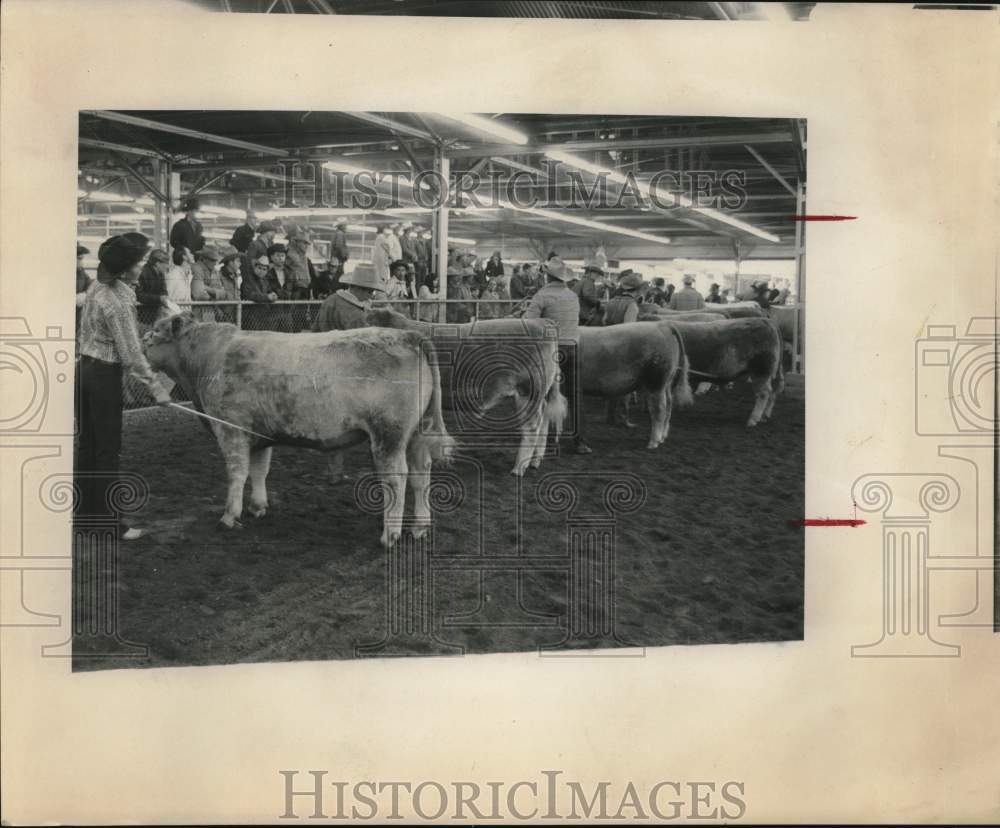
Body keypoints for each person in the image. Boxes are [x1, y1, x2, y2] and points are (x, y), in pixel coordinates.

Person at [76, 232, 172, 540]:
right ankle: (109, 523)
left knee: (89, 446)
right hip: (103, 376)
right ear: (126, 268)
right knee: (107, 451)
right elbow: (131, 353)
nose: (142, 266)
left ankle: (84, 518)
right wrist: (156, 388)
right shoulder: (118, 300)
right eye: (140, 261)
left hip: (85, 370)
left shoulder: (98, 288)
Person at [522, 257, 592, 454]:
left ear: (547, 276)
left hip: (551, 350)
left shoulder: (542, 296)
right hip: (573, 347)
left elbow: (529, 323)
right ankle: (580, 441)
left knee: (550, 393)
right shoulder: (572, 296)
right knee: (576, 395)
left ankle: (551, 440)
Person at [312, 263, 380, 332]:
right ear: (359, 288)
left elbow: (315, 330)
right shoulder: (357, 315)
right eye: (370, 292)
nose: (371, 296)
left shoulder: (329, 300)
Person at [134, 248, 171, 325]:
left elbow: (163, 290)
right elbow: (139, 295)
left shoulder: (161, 274)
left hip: (155, 316)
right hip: (141, 318)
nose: (167, 266)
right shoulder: (142, 273)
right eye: (166, 263)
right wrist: (159, 298)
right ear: (157, 263)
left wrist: (164, 296)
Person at [189, 244, 225, 322]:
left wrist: (207, 288)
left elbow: (223, 294)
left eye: (216, 260)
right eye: (212, 260)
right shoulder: (196, 268)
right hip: (196, 312)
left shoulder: (214, 271)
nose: (215, 263)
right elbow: (198, 294)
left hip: (210, 312)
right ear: (204, 259)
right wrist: (215, 294)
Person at [241, 253, 278, 330]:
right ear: (254, 268)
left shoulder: (265, 281)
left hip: (264, 315)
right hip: (250, 315)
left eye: (264, 269)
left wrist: (273, 295)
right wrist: (267, 297)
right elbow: (249, 294)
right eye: (259, 268)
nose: (261, 271)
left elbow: (269, 291)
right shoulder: (248, 280)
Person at [163, 246, 194, 318]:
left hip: (185, 318)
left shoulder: (188, 276)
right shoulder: (173, 276)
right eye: (190, 253)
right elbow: (167, 299)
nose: (193, 255)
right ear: (184, 257)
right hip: (175, 319)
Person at [446, 251, 475, 322]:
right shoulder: (456, 288)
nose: (457, 277)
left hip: (462, 314)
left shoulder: (465, 288)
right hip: (455, 315)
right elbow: (456, 303)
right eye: (455, 276)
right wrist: (467, 309)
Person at [574, 261, 604, 326]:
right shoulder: (588, 282)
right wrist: (597, 302)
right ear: (590, 273)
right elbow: (588, 295)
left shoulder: (582, 281)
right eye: (596, 274)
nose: (598, 276)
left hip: (576, 311)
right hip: (583, 313)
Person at [76, 244, 92, 335]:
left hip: (78, 313)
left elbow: (90, 285)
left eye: (82, 258)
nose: (81, 262)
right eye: (79, 258)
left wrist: (85, 294)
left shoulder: (81, 272)